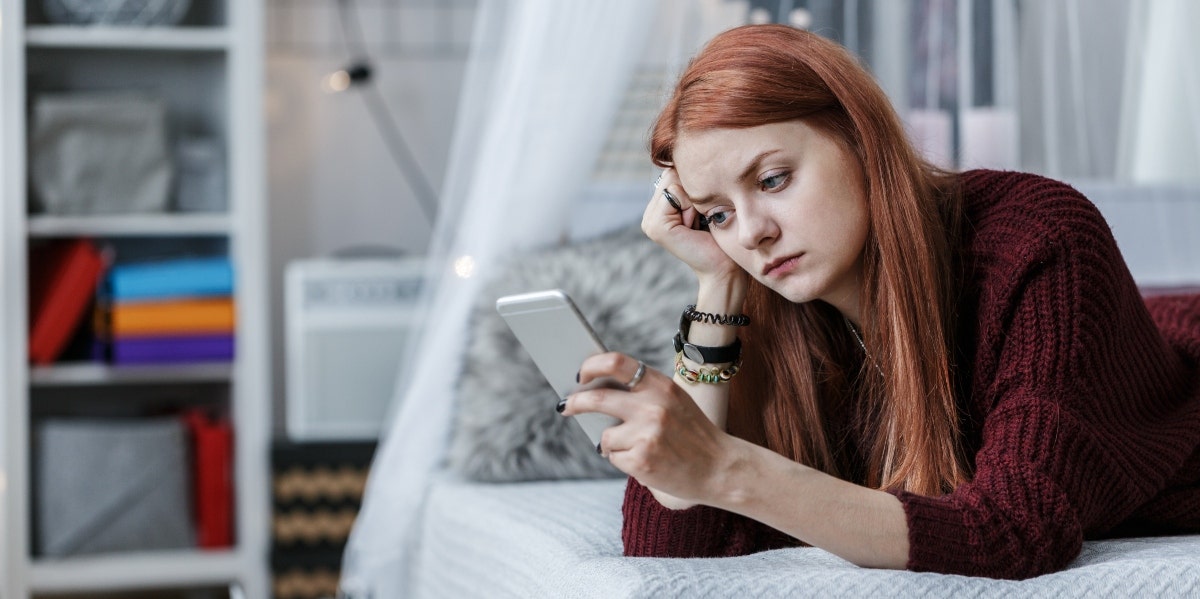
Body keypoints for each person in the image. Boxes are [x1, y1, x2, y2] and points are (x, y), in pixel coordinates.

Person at [557, 23, 1200, 580]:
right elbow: (667, 549)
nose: (752, 232)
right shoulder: (770, 300)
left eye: (773, 179)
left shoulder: (1038, 237)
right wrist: (717, 288)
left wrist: (728, 469)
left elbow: (1015, 529)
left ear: (859, 139)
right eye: (718, 213)